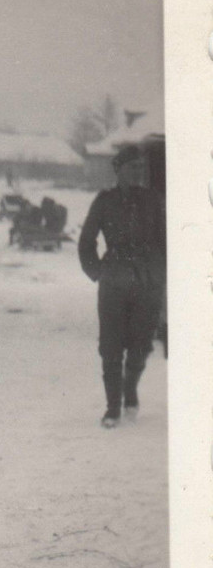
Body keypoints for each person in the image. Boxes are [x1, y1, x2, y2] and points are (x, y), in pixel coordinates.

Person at [78, 145, 166, 428]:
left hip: (147, 282)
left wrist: (161, 273)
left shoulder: (154, 200)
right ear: (118, 170)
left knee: (141, 346)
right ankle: (113, 407)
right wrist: (98, 272)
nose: (138, 173)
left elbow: (167, 240)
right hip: (114, 281)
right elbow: (86, 241)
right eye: (132, 167)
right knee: (111, 347)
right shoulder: (104, 202)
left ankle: (130, 388)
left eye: (141, 167)